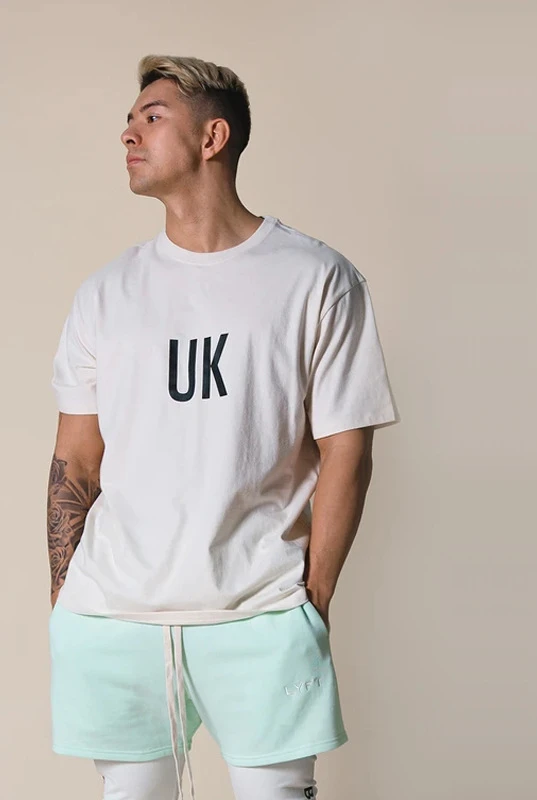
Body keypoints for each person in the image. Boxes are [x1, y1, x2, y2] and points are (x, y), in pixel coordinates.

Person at [47, 54, 401, 800]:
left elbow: (347, 450)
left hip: (261, 611)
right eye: (129, 119)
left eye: (152, 117)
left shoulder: (316, 278)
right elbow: (75, 459)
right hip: (113, 617)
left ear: (213, 137)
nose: (128, 134)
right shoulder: (105, 294)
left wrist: (314, 599)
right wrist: (66, 597)